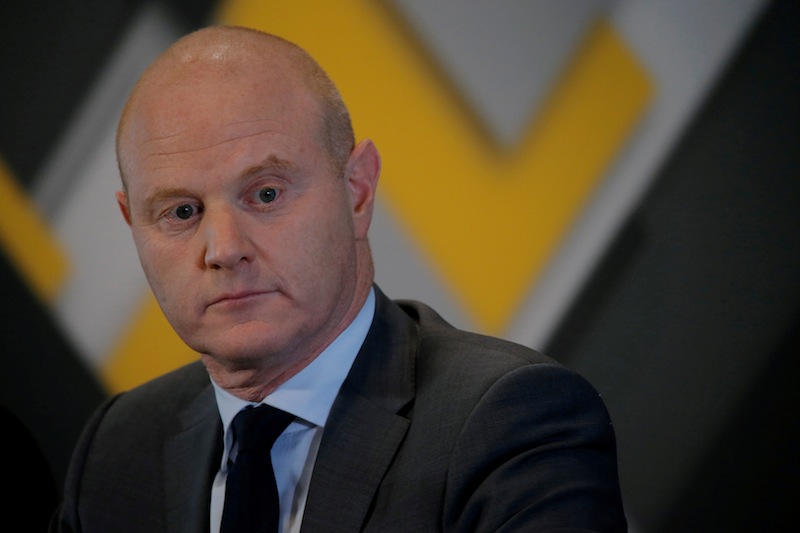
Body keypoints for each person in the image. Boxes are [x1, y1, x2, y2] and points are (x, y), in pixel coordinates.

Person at [50, 26, 627, 532]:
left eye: (266, 194)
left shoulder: (508, 424)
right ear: (133, 223)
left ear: (357, 190)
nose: (223, 249)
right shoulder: (117, 449)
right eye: (181, 212)